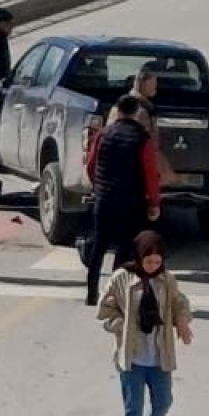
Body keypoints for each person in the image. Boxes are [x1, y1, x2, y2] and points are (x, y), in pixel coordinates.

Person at [96, 231, 193, 416]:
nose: (152, 267)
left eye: (157, 262)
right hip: (132, 356)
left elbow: (179, 302)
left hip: (160, 355)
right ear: (139, 258)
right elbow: (105, 312)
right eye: (148, 262)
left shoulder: (167, 280)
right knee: (133, 407)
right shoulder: (121, 278)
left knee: (164, 401)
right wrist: (124, 327)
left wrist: (182, 322)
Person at [83, 95, 161, 306]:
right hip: (131, 202)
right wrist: (154, 203)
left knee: (99, 246)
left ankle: (91, 294)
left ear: (118, 110)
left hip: (105, 199)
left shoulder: (103, 134)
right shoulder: (142, 138)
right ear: (137, 112)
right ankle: (115, 294)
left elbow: (91, 164)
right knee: (124, 247)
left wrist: (98, 186)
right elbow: (150, 173)